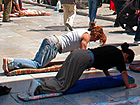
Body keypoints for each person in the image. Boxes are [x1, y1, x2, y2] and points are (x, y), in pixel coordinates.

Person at [27, 42, 137, 96]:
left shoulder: (113, 50)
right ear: (126, 56)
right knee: (65, 85)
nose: (124, 64)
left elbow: (104, 65)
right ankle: (39, 89)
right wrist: (128, 86)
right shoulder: (119, 57)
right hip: (83, 59)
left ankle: (41, 82)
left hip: (79, 53)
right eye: (126, 62)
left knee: (61, 77)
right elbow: (123, 72)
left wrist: (108, 78)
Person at [3, 22, 107, 72]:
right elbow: (83, 53)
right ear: (95, 35)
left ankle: (12, 64)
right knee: (38, 64)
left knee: (37, 61)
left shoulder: (82, 31)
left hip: (51, 41)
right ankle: (11, 62)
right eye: (96, 39)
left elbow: (73, 50)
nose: (94, 41)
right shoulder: (87, 36)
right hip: (53, 45)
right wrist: (86, 64)